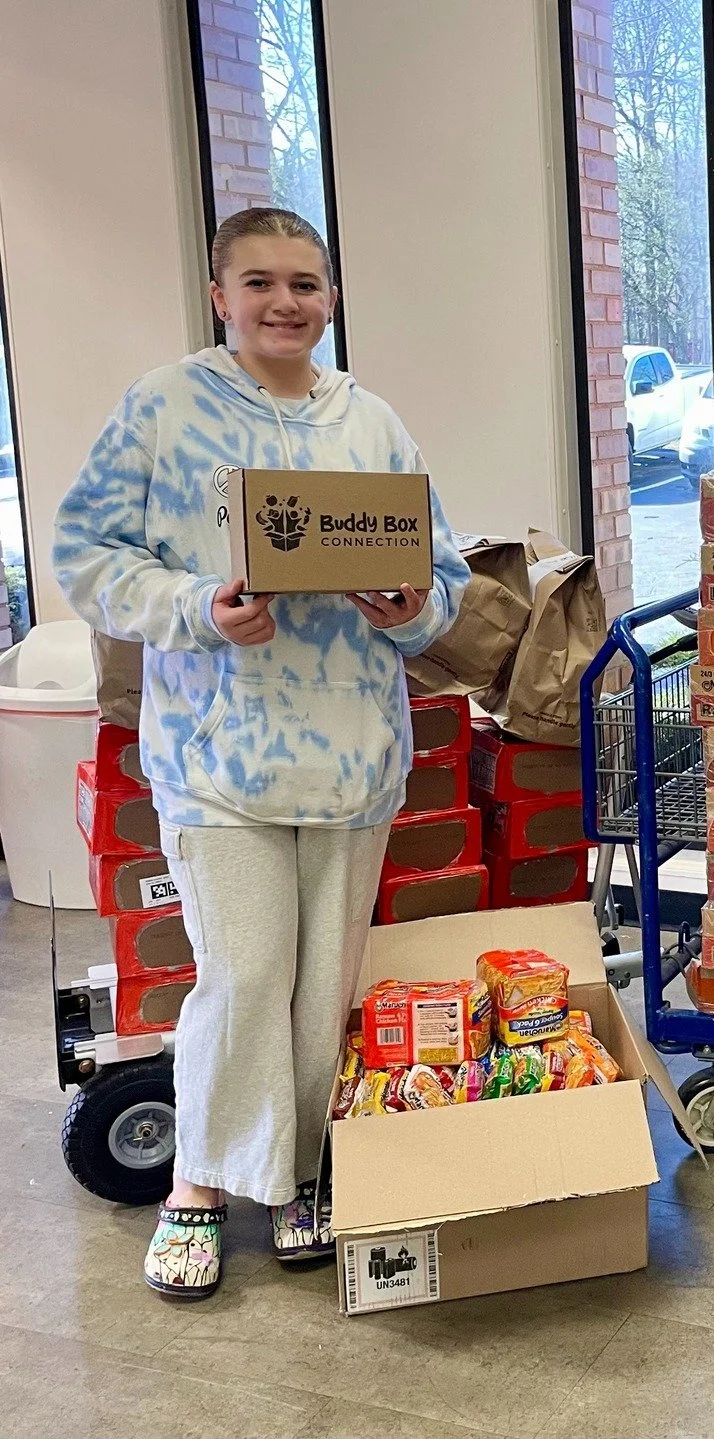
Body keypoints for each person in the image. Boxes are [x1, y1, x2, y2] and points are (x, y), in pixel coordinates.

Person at [53, 206, 469, 1300]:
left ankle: (295, 1171)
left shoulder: (369, 421)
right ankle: (199, 1180)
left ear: (331, 295)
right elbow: (85, 554)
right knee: (242, 975)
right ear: (219, 294)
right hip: (216, 753)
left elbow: (445, 583)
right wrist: (193, 603)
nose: (287, 302)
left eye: (307, 282)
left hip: (352, 755)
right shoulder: (164, 409)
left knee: (320, 984)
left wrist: (409, 604)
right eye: (262, 283)